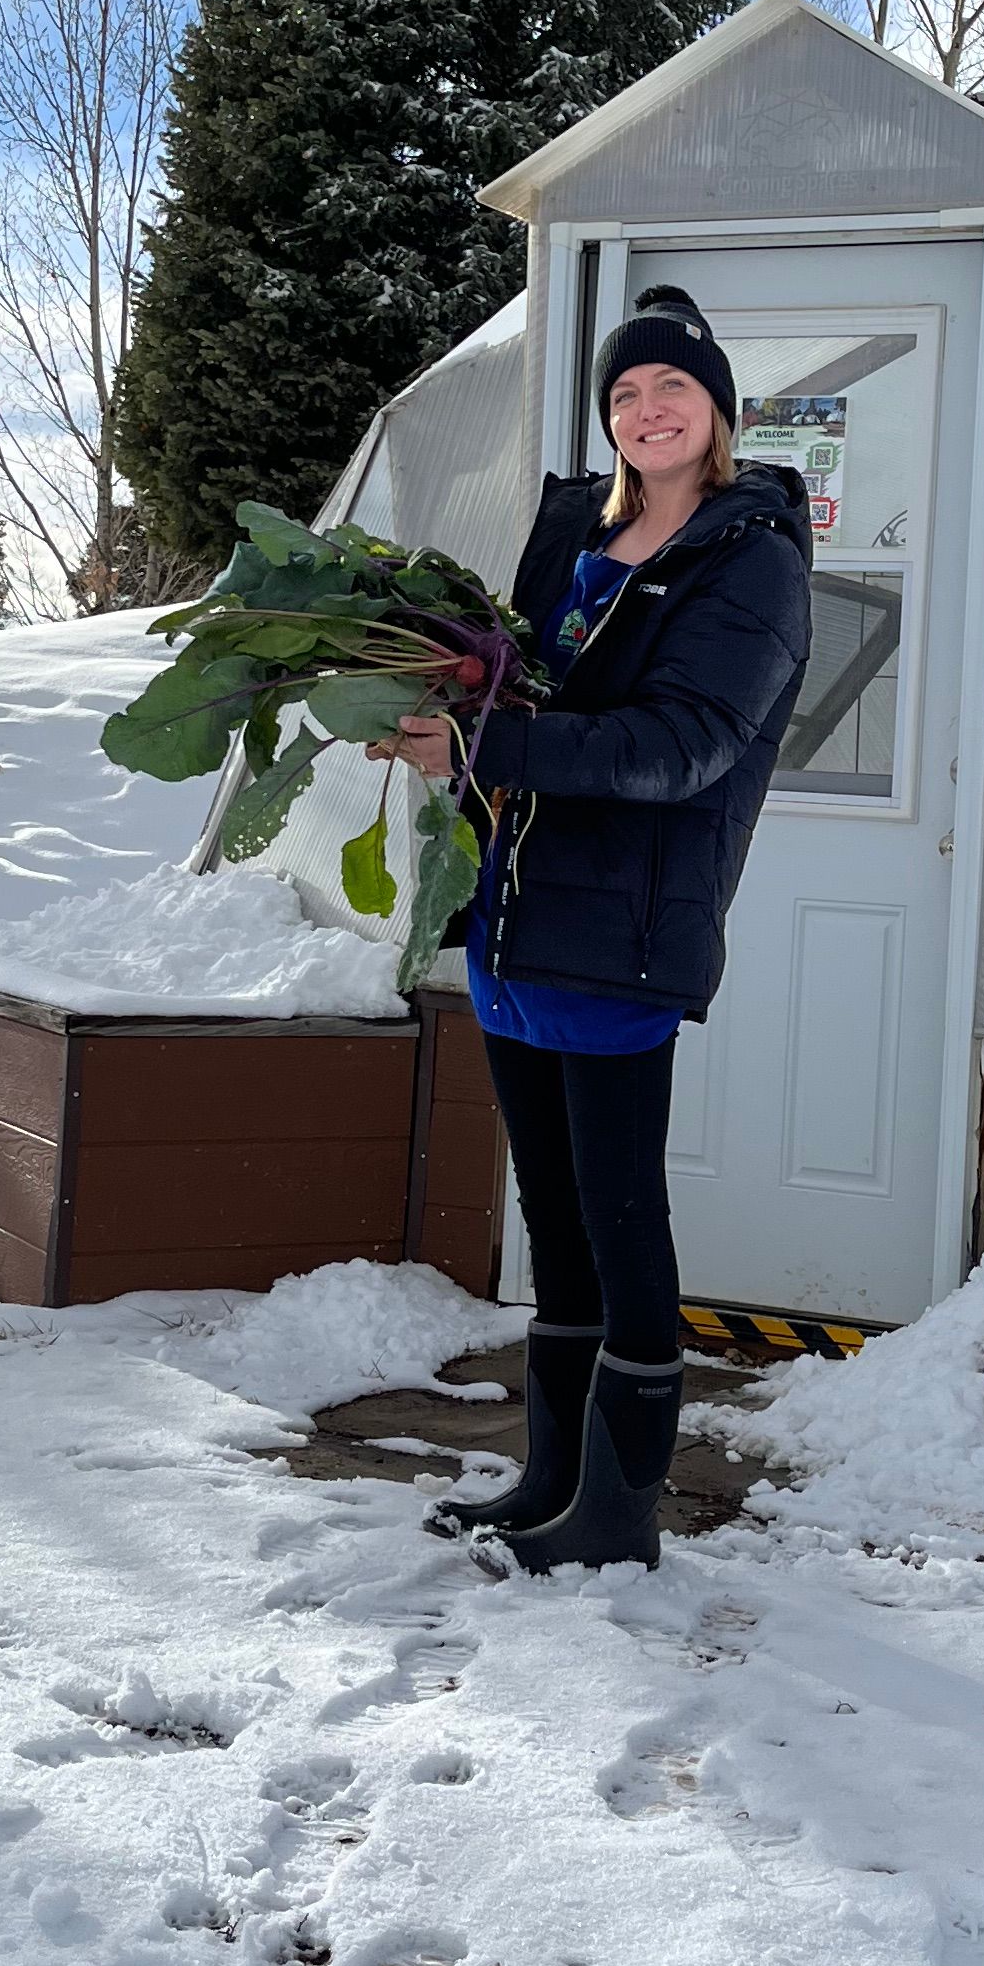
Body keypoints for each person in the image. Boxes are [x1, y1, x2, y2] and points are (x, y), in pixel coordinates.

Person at [376, 287, 812, 1574]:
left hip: (621, 928)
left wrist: (488, 739)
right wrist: (442, 729)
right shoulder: (579, 536)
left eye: (671, 388)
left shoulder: (752, 562)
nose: (644, 410)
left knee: (621, 1226)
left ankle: (619, 1515)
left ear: (718, 412)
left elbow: (680, 747)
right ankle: (550, 1480)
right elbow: (513, 690)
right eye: (624, 393)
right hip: (515, 913)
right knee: (554, 1222)